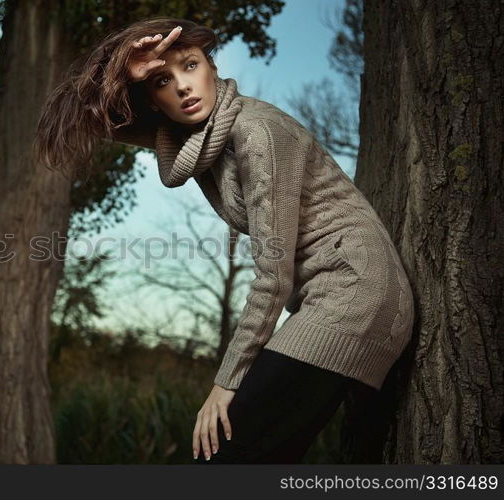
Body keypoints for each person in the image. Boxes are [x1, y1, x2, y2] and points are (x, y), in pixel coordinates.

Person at [33, 17, 415, 464]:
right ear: (152, 99)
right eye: (162, 81)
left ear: (212, 67)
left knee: (227, 453)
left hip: (355, 293)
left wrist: (225, 383)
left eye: (190, 66)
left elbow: (272, 277)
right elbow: (90, 122)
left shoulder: (256, 133)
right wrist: (121, 71)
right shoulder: (197, 138)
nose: (182, 87)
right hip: (332, 296)